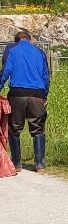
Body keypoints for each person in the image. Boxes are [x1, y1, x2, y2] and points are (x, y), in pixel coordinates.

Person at [0, 30, 50, 173]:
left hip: (17, 95)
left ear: (16, 41)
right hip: (37, 95)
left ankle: (16, 164)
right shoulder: (39, 52)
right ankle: (40, 164)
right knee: (38, 129)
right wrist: (44, 96)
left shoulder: (11, 50)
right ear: (30, 40)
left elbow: (5, 72)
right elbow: (46, 77)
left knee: (14, 129)